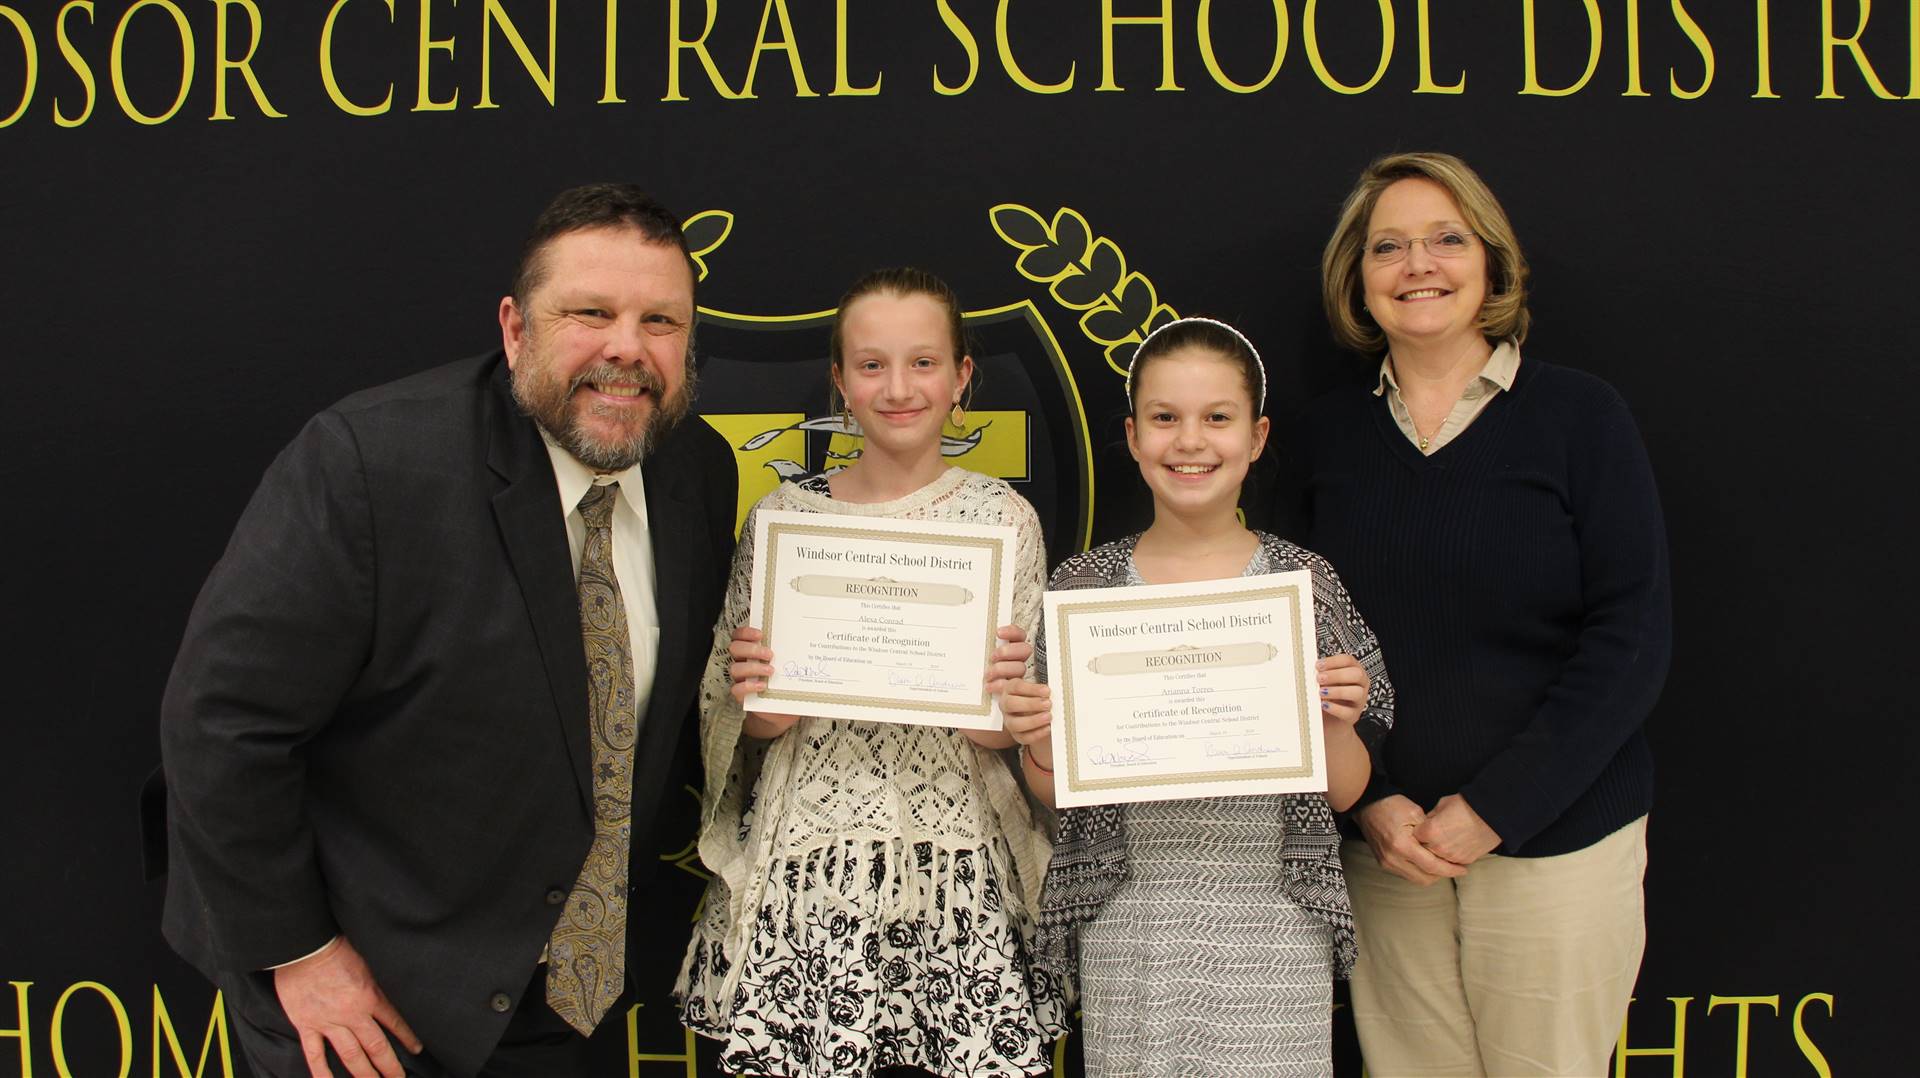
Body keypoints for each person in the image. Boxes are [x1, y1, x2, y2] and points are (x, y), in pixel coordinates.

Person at [157, 184, 738, 1078]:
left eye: (660, 321)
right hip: (372, 1005)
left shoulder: (697, 469)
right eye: (591, 312)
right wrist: (300, 956)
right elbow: (220, 722)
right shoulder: (371, 463)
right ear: (516, 329)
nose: (628, 347)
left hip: (570, 1000)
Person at [1279, 151, 1673, 1077]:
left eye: (1445, 240)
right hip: (1389, 852)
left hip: (1557, 840)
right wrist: (1370, 803)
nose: (1419, 265)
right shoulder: (1324, 437)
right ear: (1358, 279)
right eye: (1388, 247)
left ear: (1490, 261)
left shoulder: (1581, 417)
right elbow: (1296, 639)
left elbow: (1632, 637)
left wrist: (1495, 809)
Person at [674, 268, 1065, 1077]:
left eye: (924, 363)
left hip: (954, 859)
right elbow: (740, 718)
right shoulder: (784, 519)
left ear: (962, 378)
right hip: (808, 860)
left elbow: (1009, 725)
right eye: (872, 365)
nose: (898, 388)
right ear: (839, 382)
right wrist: (756, 702)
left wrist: (1002, 705)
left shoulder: (1002, 520)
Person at [998, 317, 1394, 1076]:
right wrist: (1040, 739)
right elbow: (1051, 792)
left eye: (1218, 418)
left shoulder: (1303, 587)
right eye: (1165, 418)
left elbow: (1348, 791)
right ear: (1133, 435)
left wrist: (1338, 723)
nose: (1190, 441)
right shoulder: (1082, 589)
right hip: (1132, 921)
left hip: (1275, 919)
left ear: (1257, 435)